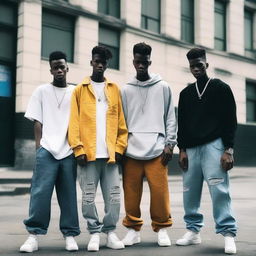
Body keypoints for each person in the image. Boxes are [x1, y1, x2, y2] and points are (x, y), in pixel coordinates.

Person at [176, 48, 237, 254]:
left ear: (206, 65)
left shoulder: (221, 88)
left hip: (214, 145)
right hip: (191, 149)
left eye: (199, 65)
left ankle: (228, 233)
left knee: (219, 190)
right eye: (192, 66)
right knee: (189, 192)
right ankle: (193, 232)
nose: (196, 69)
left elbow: (230, 120)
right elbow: (181, 124)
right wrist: (182, 149)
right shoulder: (185, 94)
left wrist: (228, 149)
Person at [68, 46, 128, 252]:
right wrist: (78, 149)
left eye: (103, 62)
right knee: (87, 198)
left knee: (114, 197)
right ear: (91, 62)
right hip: (88, 155)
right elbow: (73, 122)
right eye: (96, 61)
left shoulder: (114, 89)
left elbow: (121, 123)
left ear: (107, 64)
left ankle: (110, 232)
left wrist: (120, 148)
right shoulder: (80, 89)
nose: (100, 64)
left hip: (110, 156)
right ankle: (94, 232)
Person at [20, 51, 80, 253]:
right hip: (47, 150)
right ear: (51, 70)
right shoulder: (41, 91)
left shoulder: (76, 92)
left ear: (67, 67)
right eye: (56, 67)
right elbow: (38, 121)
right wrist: (39, 149)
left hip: (68, 151)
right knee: (40, 195)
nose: (60, 70)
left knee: (68, 195)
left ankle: (70, 235)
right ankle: (34, 236)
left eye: (62, 66)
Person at [121, 42, 177, 247]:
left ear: (149, 62)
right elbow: (122, 121)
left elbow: (170, 116)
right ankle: (132, 230)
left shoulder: (163, 87)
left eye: (144, 62)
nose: (141, 65)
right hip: (131, 150)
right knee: (131, 193)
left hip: (157, 148)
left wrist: (170, 144)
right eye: (138, 62)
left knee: (160, 192)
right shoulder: (125, 89)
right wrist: (122, 147)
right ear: (133, 62)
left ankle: (162, 228)